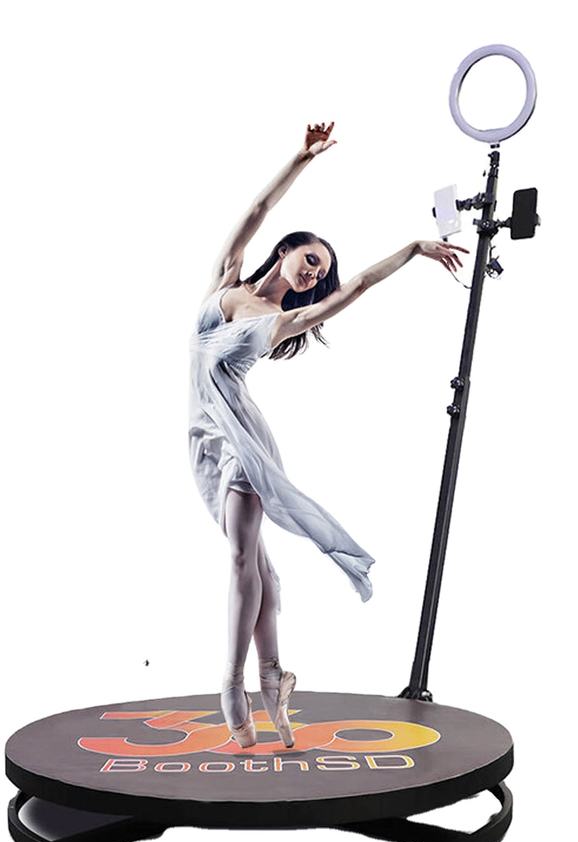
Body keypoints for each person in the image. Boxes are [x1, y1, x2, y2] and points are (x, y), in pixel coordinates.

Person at [187, 121, 468, 750]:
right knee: (258, 564)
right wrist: (302, 157)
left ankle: (234, 684)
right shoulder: (226, 282)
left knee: (242, 558)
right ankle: (274, 679)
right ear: (286, 250)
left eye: (320, 273)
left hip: (243, 442)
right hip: (204, 437)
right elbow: (257, 210)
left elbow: (355, 287)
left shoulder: (279, 320)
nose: (315, 274)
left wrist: (412, 249)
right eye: (311, 260)